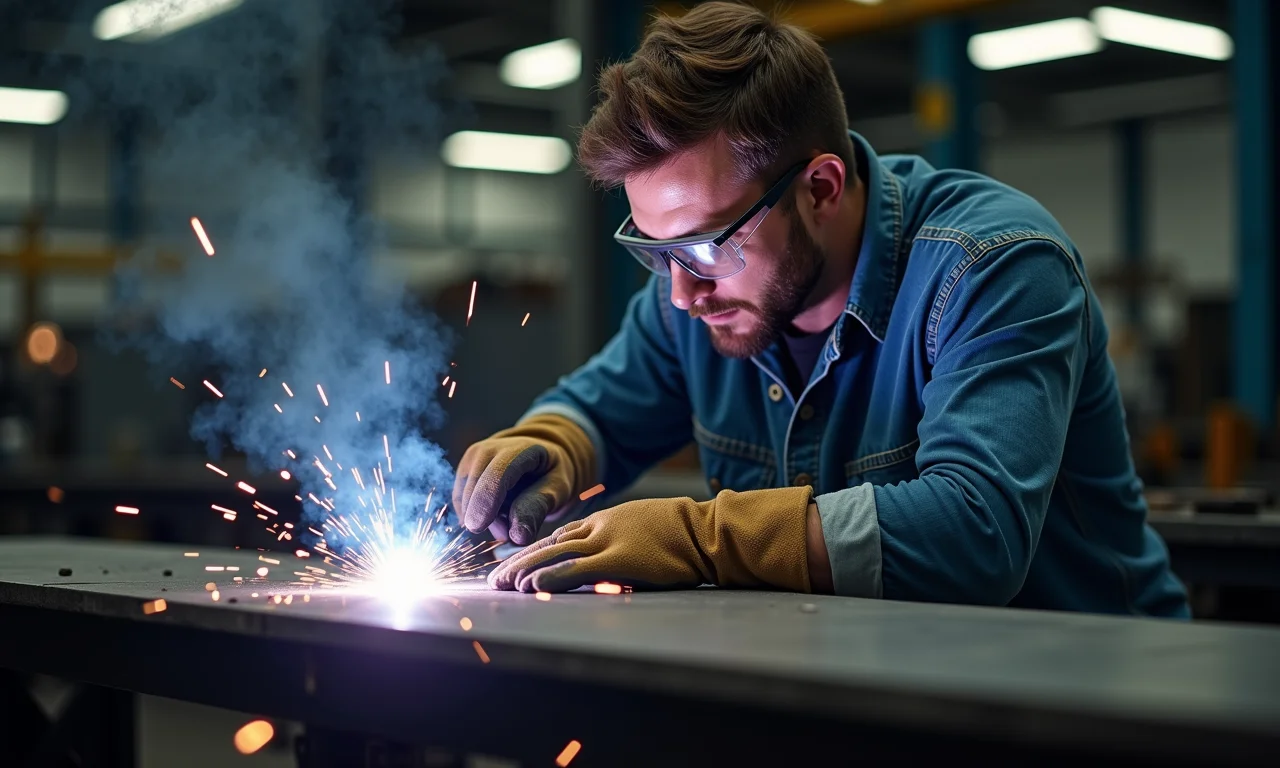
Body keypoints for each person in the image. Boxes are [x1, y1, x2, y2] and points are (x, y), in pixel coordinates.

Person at [451, 1, 1190, 616]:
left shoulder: (992, 266)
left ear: (821, 189)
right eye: (656, 250)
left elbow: (975, 535)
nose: (681, 293)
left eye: (705, 246)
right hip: (882, 676)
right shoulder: (695, 292)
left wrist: (702, 538)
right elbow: (600, 413)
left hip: (1089, 692)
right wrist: (549, 446)